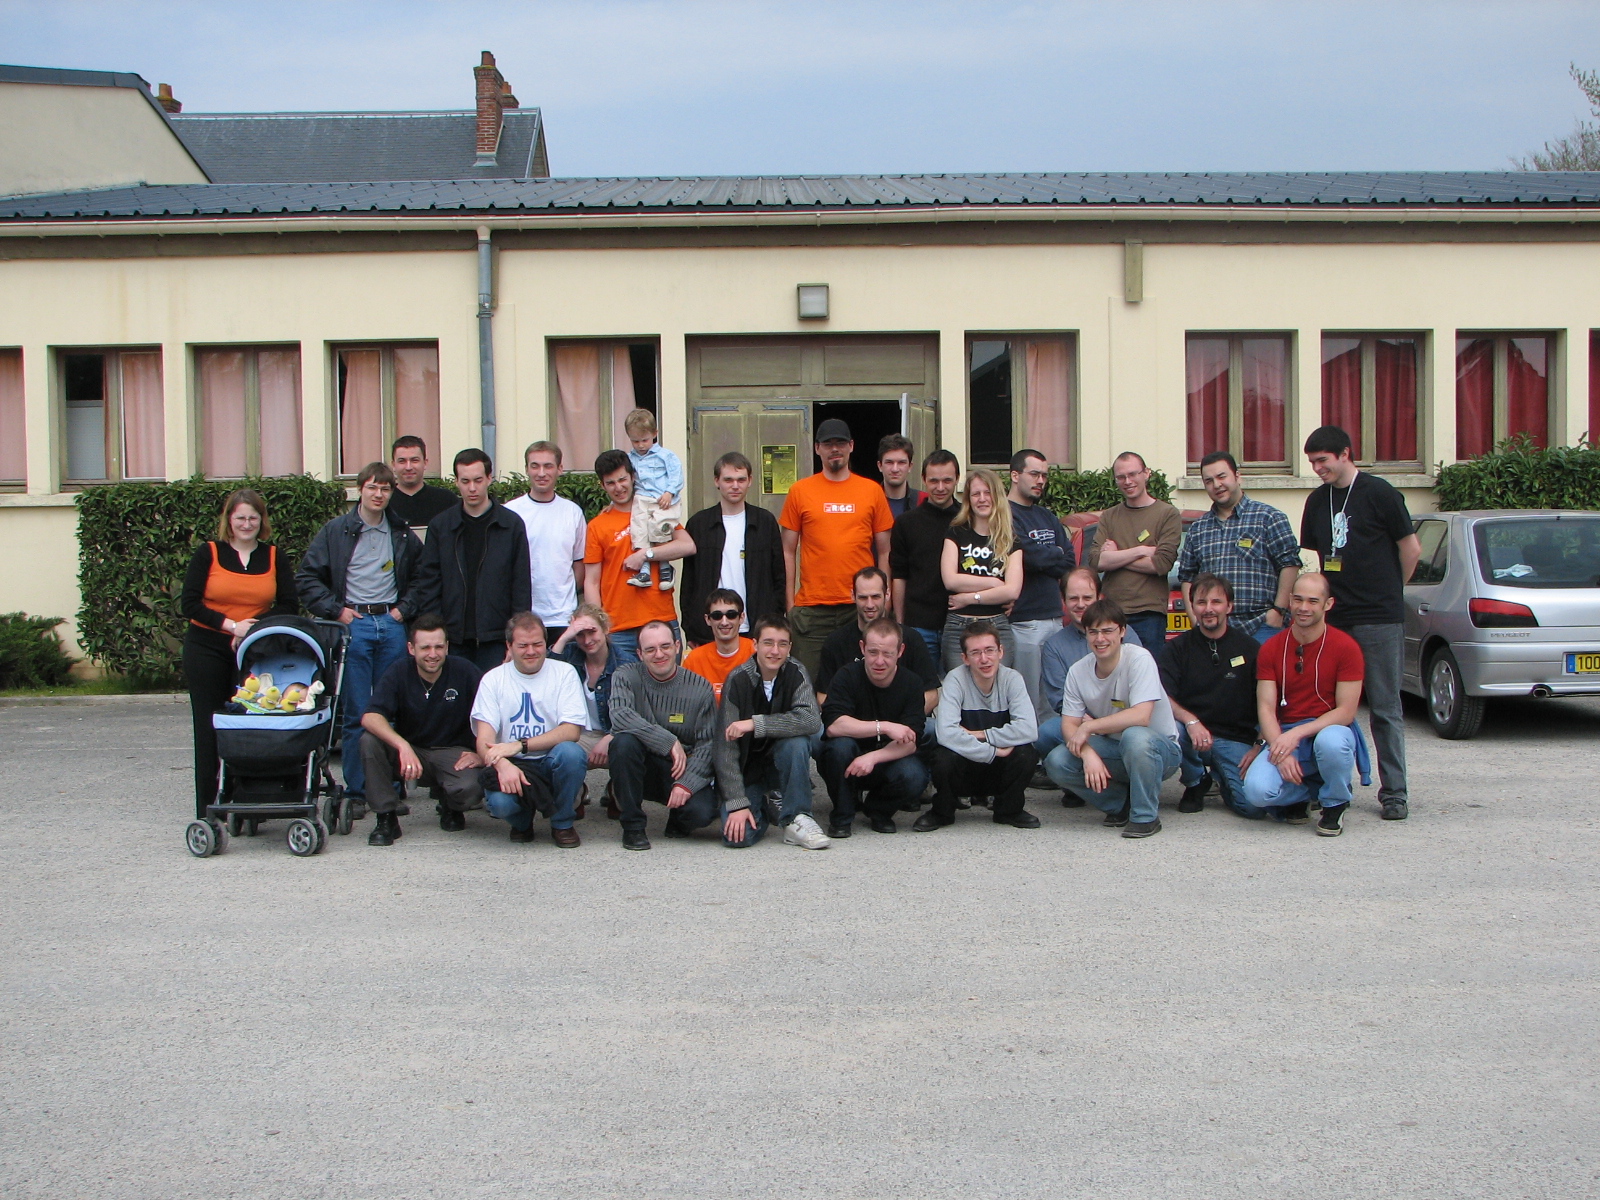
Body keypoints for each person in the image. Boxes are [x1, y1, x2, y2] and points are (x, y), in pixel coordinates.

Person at [1298, 425, 1421, 822]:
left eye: (1323, 461)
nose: (1317, 469)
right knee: (1327, 706)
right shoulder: (1317, 501)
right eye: (1312, 462)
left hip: (1378, 618)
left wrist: (1392, 590)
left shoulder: (1380, 493)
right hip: (1335, 618)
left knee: (1384, 707)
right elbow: (1318, 558)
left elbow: (1411, 548)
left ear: (1345, 453)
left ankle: (1394, 792)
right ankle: (1330, 788)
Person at [296, 461, 424, 812]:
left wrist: (403, 610)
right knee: (355, 712)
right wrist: (336, 611)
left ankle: (390, 787)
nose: (378, 494)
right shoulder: (336, 531)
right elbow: (307, 578)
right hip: (354, 625)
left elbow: (423, 577)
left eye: (385, 488)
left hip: (391, 624)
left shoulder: (400, 532)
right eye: (372, 487)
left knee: (391, 710)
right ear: (360, 490)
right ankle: (356, 791)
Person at [180, 488, 298, 820]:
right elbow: (189, 603)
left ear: (262, 521)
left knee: (248, 726)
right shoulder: (209, 553)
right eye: (240, 518)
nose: (246, 524)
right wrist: (231, 626)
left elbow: (289, 604)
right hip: (206, 649)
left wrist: (252, 627)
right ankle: (208, 809)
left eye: (253, 518)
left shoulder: (274, 556)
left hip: (253, 652)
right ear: (229, 521)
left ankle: (246, 802)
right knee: (209, 728)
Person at [1240, 572, 1366, 836]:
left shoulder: (1347, 647)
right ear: (1289, 600)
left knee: (1332, 742)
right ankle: (1306, 793)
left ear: (1328, 604)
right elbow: (1266, 707)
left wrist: (1295, 735)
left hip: (1327, 728)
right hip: (1285, 731)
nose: (1303, 608)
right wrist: (1280, 750)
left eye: (1312, 601)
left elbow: (1346, 712)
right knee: (1256, 792)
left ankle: (1335, 801)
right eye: (1297, 600)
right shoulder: (1271, 648)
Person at [1044, 598, 1182, 838]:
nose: (1100, 639)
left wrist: (1089, 728)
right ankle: (1120, 804)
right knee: (1057, 761)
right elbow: (1069, 725)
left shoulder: (1139, 658)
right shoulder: (1078, 671)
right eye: (1093, 632)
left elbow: (1141, 716)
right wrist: (1087, 754)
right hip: (1114, 747)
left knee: (1135, 737)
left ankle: (1145, 816)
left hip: (1159, 752)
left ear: (1122, 631)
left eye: (1107, 631)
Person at [779, 417, 894, 680]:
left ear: (851, 446)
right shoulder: (799, 491)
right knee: (807, 684)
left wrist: (884, 601)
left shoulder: (871, 491)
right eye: (828, 444)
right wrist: (790, 604)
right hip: (811, 611)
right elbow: (787, 550)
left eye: (840, 443)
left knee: (861, 681)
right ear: (817, 448)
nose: (834, 449)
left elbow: (885, 551)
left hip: (859, 607)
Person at [359, 613, 485, 846]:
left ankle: (451, 805)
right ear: (411, 648)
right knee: (369, 740)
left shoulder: (465, 671)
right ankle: (386, 817)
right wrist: (402, 745)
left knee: (470, 788)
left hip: (452, 752)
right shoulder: (398, 671)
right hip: (411, 752)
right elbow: (370, 716)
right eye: (425, 647)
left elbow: (493, 713)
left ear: (447, 647)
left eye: (439, 647)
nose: (432, 654)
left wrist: (482, 754)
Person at [470, 613, 589, 847]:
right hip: (513, 763)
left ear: (546, 643)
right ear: (509, 646)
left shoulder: (564, 673)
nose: (531, 651)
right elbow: (484, 740)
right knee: (500, 804)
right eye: (523, 645)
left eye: (537, 644)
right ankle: (522, 823)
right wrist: (502, 765)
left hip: (550, 759)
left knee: (572, 754)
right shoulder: (493, 679)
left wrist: (519, 745)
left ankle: (562, 823)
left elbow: (571, 731)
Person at [714, 613, 831, 850]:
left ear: (790, 647)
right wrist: (737, 802)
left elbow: (811, 721)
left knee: (797, 742)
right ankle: (763, 809)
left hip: (782, 763)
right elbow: (724, 749)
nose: (775, 651)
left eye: (782, 644)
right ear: (755, 644)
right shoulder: (737, 680)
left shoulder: (796, 672)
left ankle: (797, 817)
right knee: (738, 838)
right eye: (768, 643)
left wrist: (756, 724)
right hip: (749, 769)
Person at [606, 621, 721, 851]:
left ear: (677, 646)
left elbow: (708, 744)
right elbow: (620, 715)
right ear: (640, 654)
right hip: (643, 763)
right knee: (623, 743)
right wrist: (668, 741)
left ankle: (678, 818)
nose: (659, 654)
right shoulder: (625, 676)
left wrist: (686, 784)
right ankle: (633, 826)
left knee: (701, 813)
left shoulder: (700, 687)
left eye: (665, 646)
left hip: (681, 767)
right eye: (650, 649)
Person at [414, 448, 532, 673]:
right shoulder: (441, 526)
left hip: (496, 638)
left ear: (489, 478)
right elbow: (429, 584)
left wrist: (516, 638)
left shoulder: (511, 525)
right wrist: (436, 637)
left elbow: (521, 586)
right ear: (456, 482)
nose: (472, 488)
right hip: (453, 639)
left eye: (478, 480)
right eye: (465, 481)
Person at [917, 620, 1040, 832]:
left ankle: (1008, 810)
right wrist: (992, 752)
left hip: (998, 769)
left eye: (989, 650)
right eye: (975, 652)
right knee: (943, 757)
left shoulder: (1012, 679)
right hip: (967, 766)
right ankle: (942, 811)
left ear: (1001, 652)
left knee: (1026, 754)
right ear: (965, 658)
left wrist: (981, 734)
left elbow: (1029, 729)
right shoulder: (955, 680)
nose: (984, 659)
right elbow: (946, 734)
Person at [1157, 573, 1261, 816]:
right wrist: (1191, 721)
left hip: (1234, 739)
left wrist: (1259, 744)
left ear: (1229, 606)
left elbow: (1268, 702)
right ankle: (1195, 782)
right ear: (1193, 606)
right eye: (1201, 602)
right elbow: (1162, 696)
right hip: (1191, 736)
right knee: (1170, 726)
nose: (1208, 609)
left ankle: (1222, 779)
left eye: (1216, 602)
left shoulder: (1250, 648)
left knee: (1251, 808)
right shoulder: (1176, 649)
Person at [817, 617, 930, 836]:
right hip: (848, 757)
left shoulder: (912, 684)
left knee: (915, 774)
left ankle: (879, 811)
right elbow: (833, 726)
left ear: (900, 651)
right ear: (862, 648)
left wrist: (872, 757)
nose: (879, 661)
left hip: (887, 759)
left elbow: (910, 742)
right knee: (837, 749)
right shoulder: (846, 675)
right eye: (873, 652)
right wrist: (884, 727)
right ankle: (842, 815)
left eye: (887, 654)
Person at [584, 449, 696, 663]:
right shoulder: (597, 525)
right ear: (603, 486)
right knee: (622, 685)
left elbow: (688, 545)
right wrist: (598, 624)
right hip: (618, 628)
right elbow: (591, 581)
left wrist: (646, 554)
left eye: (622, 480)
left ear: (633, 476)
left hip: (660, 619)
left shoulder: (655, 510)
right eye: (610, 483)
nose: (618, 488)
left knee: (668, 685)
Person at [1178, 451, 1301, 644]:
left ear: (1237, 476)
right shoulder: (1198, 529)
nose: (1216, 485)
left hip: (1261, 626)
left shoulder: (1269, 518)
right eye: (1209, 481)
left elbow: (1289, 565)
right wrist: (1194, 618)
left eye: (1221, 476)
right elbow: (1187, 576)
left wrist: (1278, 611)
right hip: (1215, 629)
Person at [1034, 567, 1138, 775]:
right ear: (1063, 600)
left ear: (1099, 597)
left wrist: (1103, 724)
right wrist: (1084, 722)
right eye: (1073, 598)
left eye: (1087, 597)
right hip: (1079, 719)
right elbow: (1059, 699)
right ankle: (1077, 777)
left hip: (1121, 718)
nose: (1080, 604)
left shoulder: (1124, 634)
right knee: (1045, 733)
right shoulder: (1054, 646)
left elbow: (1137, 687)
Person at [680, 451, 785, 647]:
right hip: (710, 630)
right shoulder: (699, 524)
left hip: (756, 629)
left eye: (741, 480)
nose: (735, 486)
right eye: (728, 480)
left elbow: (778, 577)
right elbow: (689, 583)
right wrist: (691, 629)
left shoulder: (765, 522)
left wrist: (775, 621)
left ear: (750, 481)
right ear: (716, 481)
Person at [1084, 451, 1181, 652]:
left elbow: (1161, 564)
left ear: (1146, 473)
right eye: (1121, 477)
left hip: (1149, 613)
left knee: (1146, 670)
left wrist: (1116, 555)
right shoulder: (1109, 516)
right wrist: (1140, 551)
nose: (1127, 481)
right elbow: (1096, 560)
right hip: (1111, 612)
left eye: (1133, 474)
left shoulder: (1167, 514)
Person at [1006, 447, 1074, 728]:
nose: (1041, 481)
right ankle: (1028, 749)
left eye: (1044, 475)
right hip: (1025, 622)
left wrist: (1045, 556)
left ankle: (1049, 748)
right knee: (1028, 699)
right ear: (1015, 475)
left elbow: (1068, 562)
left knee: (1055, 697)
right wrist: (1051, 553)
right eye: (1034, 474)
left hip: (1055, 619)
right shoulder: (1005, 514)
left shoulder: (1047, 516)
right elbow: (1028, 558)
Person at [816, 567, 939, 715]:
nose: (869, 605)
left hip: (904, 724)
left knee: (933, 726)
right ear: (853, 596)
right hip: (852, 725)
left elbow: (931, 695)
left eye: (875, 597)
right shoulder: (836, 642)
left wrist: (902, 722)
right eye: (863, 597)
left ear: (887, 595)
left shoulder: (911, 639)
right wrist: (860, 726)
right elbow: (823, 696)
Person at [503, 440, 587, 648]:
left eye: (548, 466)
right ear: (526, 469)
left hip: (563, 617)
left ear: (560, 469)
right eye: (535, 466)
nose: (541, 473)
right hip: (523, 617)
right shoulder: (510, 513)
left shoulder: (572, 512)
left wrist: (564, 596)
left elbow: (579, 563)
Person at [939, 468, 1022, 672]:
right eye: (976, 494)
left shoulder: (1010, 540)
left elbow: (1012, 591)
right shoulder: (956, 532)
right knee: (958, 686)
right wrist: (993, 583)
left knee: (998, 687)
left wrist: (969, 598)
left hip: (997, 626)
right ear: (968, 499)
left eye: (987, 493)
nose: (982, 499)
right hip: (959, 626)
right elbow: (950, 580)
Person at [889, 449, 961, 661]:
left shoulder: (968, 520)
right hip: (919, 624)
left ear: (957, 479)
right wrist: (901, 624)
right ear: (923, 479)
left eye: (947, 480)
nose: (940, 488)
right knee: (923, 682)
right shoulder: (906, 523)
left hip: (959, 622)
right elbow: (899, 576)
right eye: (934, 481)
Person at [551, 603, 620, 773]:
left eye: (592, 632)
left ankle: (617, 786)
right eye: (580, 634)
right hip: (578, 734)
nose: (587, 640)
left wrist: (610, 737)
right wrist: (564, 637)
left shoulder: (624, 662)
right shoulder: (570, 654)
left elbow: (633, 713)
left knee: (630, 746)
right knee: (554, 749)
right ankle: (576, 786)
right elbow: (547, 677)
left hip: (613, 734)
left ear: (605, 629)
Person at [624, 408, 685, 591]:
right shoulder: (630, 458)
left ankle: (665, 567)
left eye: (645, 440)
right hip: (642, 499)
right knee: (639, 529)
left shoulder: (665, 456)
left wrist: (669, 492)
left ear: (655, 434)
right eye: (635, 441)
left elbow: (676, 475)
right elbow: (628, 482)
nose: (641, 445)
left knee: (659, 528)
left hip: (662, 500)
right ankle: (645, 571)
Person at [682, 589, 755, 701]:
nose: (724, 622)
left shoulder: (756, 653)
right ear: (708, 619)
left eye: (731, 615)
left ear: (741, 618)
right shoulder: (694, 660)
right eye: (717, 616)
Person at [386, 435, 456, 531]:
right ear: (393, 465)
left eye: (414, 460)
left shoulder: (447, 501)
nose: (408, 467)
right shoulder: (384, 501)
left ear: (425, 463)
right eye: (402, 461)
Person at [877, 433, 926, 518]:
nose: (895, 469)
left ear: (910, 466)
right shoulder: (868, 501)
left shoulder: (924, 501)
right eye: (889, 462)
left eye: (901, 463)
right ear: (880, 466)